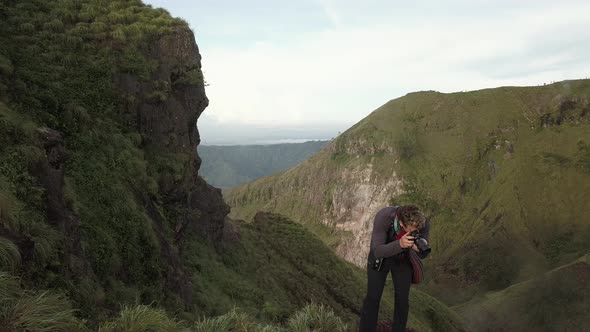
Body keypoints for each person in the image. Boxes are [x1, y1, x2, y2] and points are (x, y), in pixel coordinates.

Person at [358, 205, 430, 332]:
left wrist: (419, 246)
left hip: (403, 258)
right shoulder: (384, 217)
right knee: (373, 297)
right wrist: (400, 244)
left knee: (402, 300)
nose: (415, 232)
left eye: (417, 231)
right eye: (412, 231)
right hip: (381, 257)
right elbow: (377, 250)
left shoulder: (423, 222)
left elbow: (423, 253)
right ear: (401, 223)